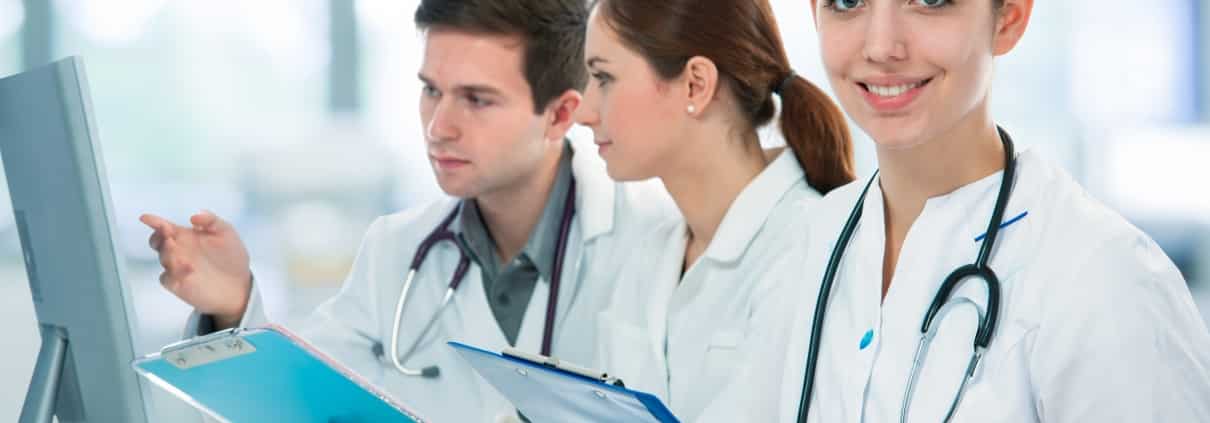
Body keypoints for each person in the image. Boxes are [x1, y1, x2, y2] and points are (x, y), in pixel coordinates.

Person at [140, 1, 673, 421]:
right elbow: (304, 405)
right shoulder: (396, 251)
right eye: (430, 91)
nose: (439, 126)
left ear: (560, 114)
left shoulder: (655, 240)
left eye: (476, 99)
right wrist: (232, 307)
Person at [765, 0, 1210, 421]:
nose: (882, 47)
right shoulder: (807, 245)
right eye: (847, 1)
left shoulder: (1103, 278)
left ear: (1009, 18)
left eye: (931, 0)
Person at [574, 0, 854, 420]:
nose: (583, 110)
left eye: (604, 78)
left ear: (696, 85)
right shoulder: (649, 254)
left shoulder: (807, 251)